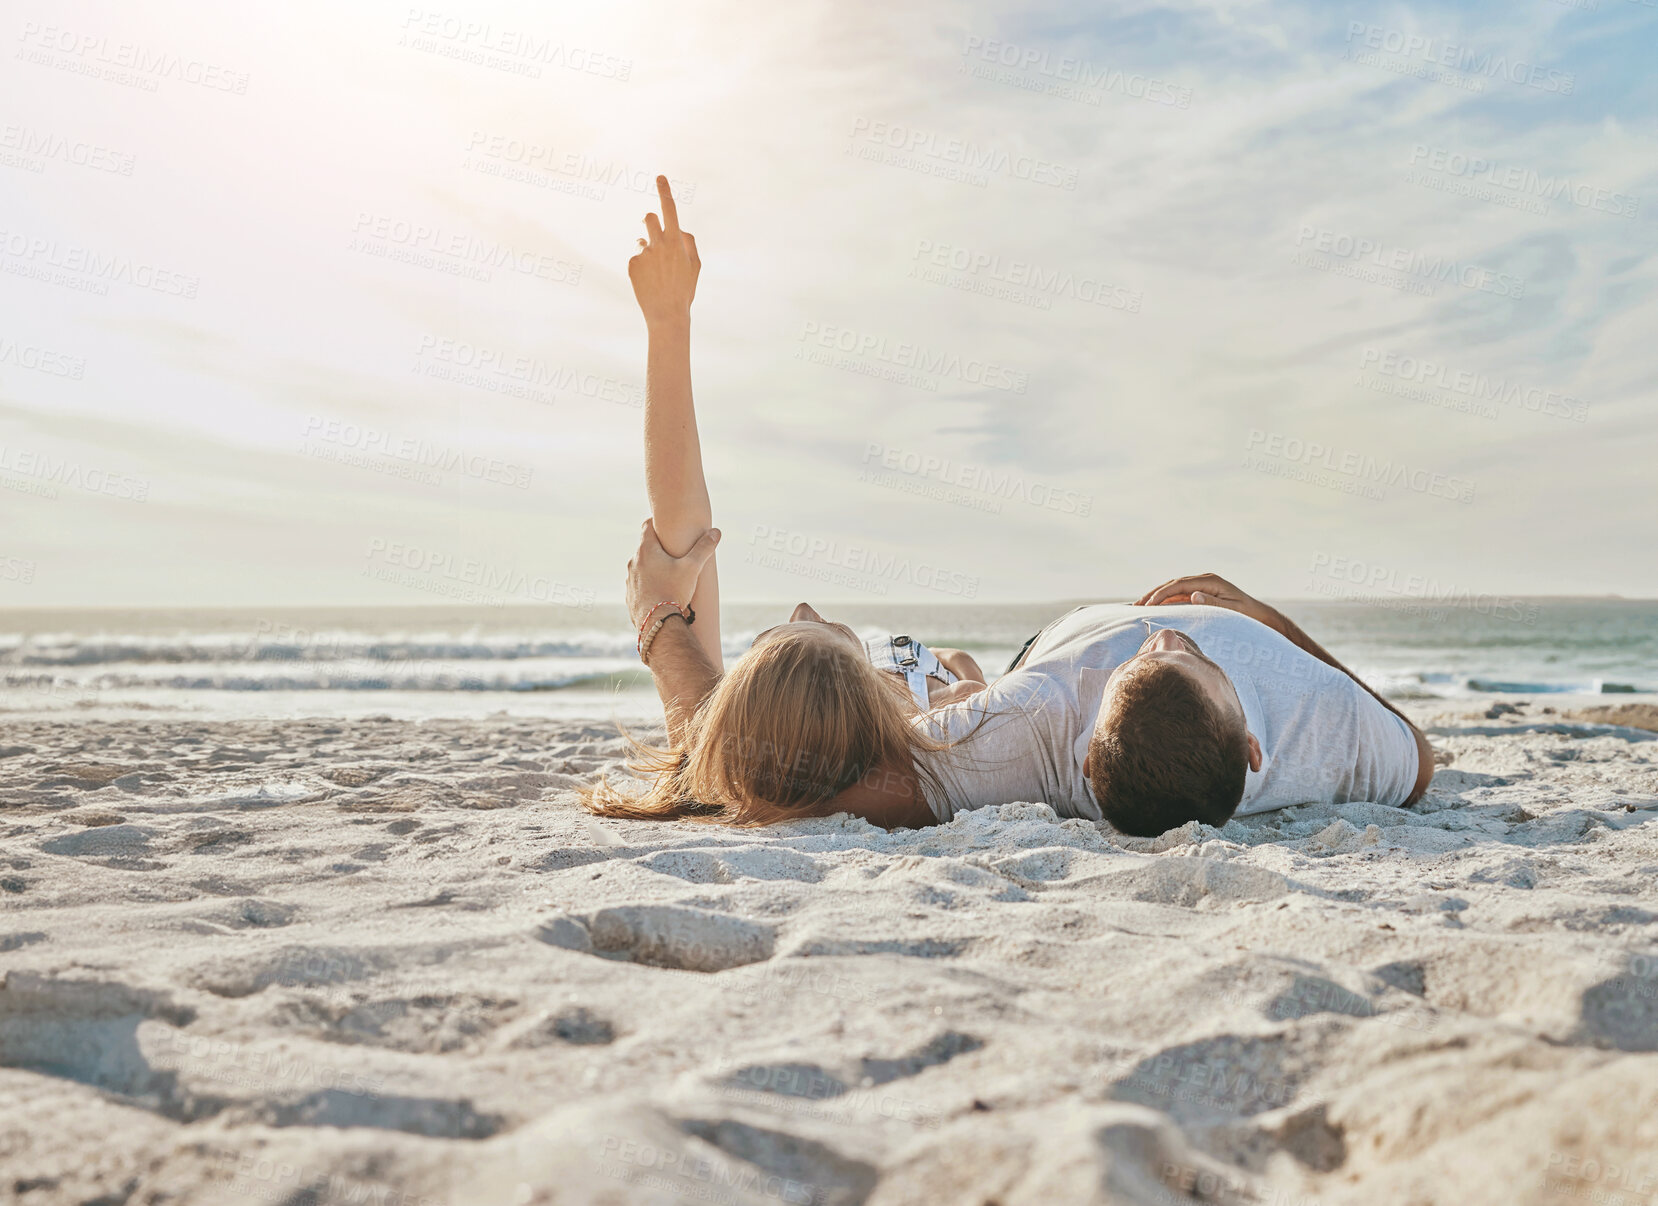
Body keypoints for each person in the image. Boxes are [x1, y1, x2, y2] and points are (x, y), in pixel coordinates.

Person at [588, 179, 1433, 835]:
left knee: (936, 668)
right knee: (948, 662)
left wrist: (663, 623)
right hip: (976, 691)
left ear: (1086, 752)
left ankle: (945, 670)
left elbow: (710, 711)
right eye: (1189, 653)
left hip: (994, 681)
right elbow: (1419, 757)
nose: (1168, 631)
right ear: (1254, 747)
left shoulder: (994, 744)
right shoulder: (1324, 725)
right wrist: (1268, 622)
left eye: (1147, 655)